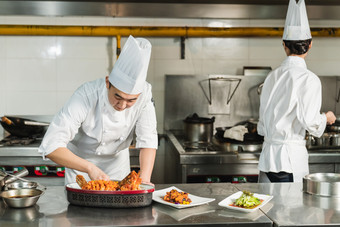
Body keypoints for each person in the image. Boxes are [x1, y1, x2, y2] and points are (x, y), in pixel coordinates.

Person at [38, 35, 158, 185]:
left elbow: (148, 139)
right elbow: (51, 146)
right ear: (108, 83)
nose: (122, 105)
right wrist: (89, 168)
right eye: (118, 97)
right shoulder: (86, 95)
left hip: (118, 168)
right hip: (81, 168)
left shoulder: (145, 95)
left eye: (131, 100)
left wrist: (145, 181)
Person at [257, 0, 336, 183]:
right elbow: (310, 121)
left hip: (268, 159)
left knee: (267, 209)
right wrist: (326, 117)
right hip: (290, 161)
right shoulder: (309, 79)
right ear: (310, 45)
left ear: (284, 45)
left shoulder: (271, 76)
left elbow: (262, 124)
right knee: (291, 211)